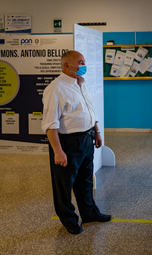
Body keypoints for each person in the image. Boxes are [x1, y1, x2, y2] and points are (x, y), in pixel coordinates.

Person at [41, 50, 111, 235]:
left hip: (87, 138)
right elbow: (50, 124)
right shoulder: (55, 89)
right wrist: (58, 151)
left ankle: (89, 213)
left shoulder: (81, 83)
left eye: (84, 61)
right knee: (64, 185)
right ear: (66, 66)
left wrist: (96, 132)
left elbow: (90, 110)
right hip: (68, 143)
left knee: (85, 181)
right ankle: (69, 220)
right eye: (80, 62)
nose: (84, 65)